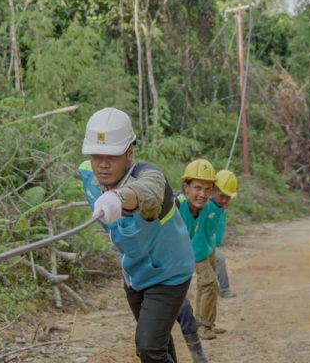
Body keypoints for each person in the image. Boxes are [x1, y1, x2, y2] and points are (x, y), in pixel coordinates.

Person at [78, 107, 194, 363]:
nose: (103, 164)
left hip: (169, 273)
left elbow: (146, 191)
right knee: (158, 342)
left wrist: (118, 198)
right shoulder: (88, 175)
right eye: (96, 155)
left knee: (148, 346)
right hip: (135, 274)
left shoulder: (150, 176)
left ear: (130, 152)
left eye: (113, 156)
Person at [174, 159, 225, 341]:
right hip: (164, 262)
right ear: (186, 187)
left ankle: (202, 323)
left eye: (207, 189)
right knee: (209, 284)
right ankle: (203, 327)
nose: (202, 194)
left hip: (191, 253)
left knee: (209, 285)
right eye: (197, 188)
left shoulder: (203, 208)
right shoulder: (175, 206)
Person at [213, 170, 239, 298]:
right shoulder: (207, 205)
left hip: (211, 243)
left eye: (227, 197)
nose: (224, 200)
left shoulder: (220, 208)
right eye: (221, 195)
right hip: (199, 244)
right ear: (213, 191)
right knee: (219, 259)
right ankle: (224, 289)